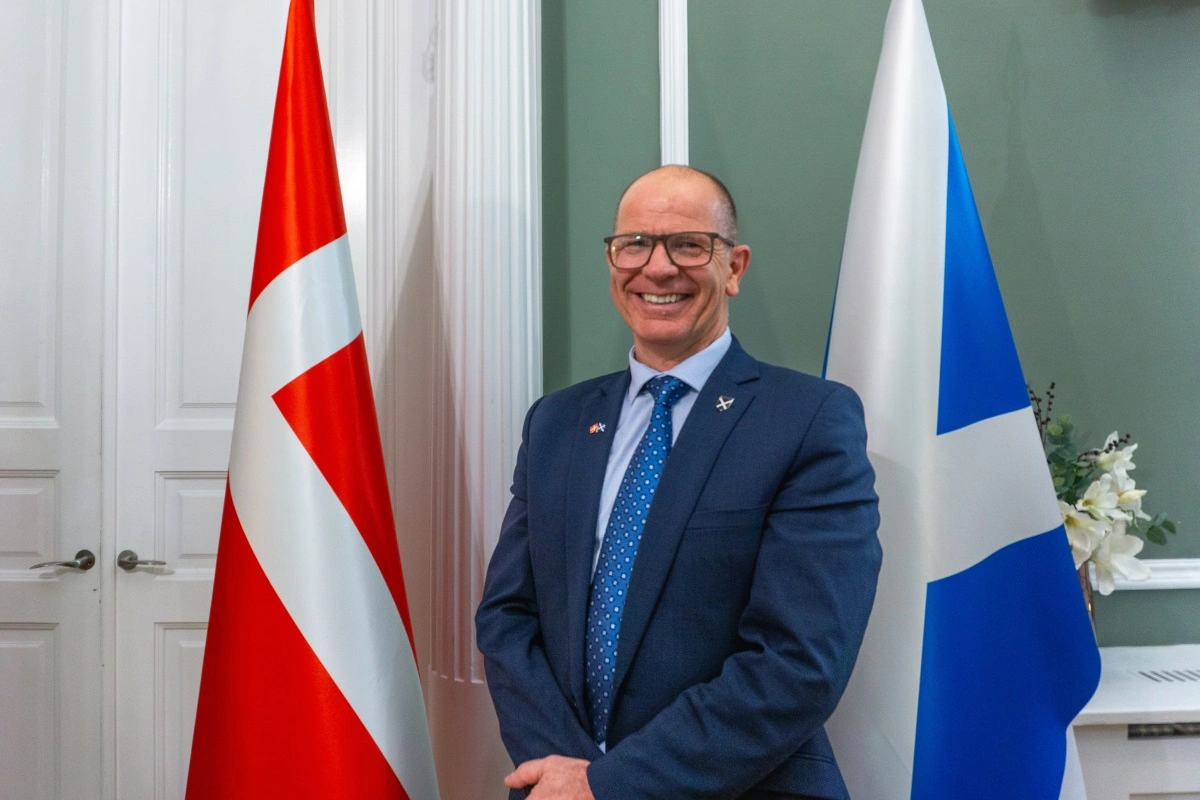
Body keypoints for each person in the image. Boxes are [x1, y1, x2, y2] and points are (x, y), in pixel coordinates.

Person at [475, 165, 881, 800]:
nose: (656, 268)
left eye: (689, 245)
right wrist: (564, 773)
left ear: (734, 266)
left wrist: (610, 786)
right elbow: (507, 619)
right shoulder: (556, 423)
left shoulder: (808, 421)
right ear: (613, 261)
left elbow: (799, 662)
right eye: (634, 244)